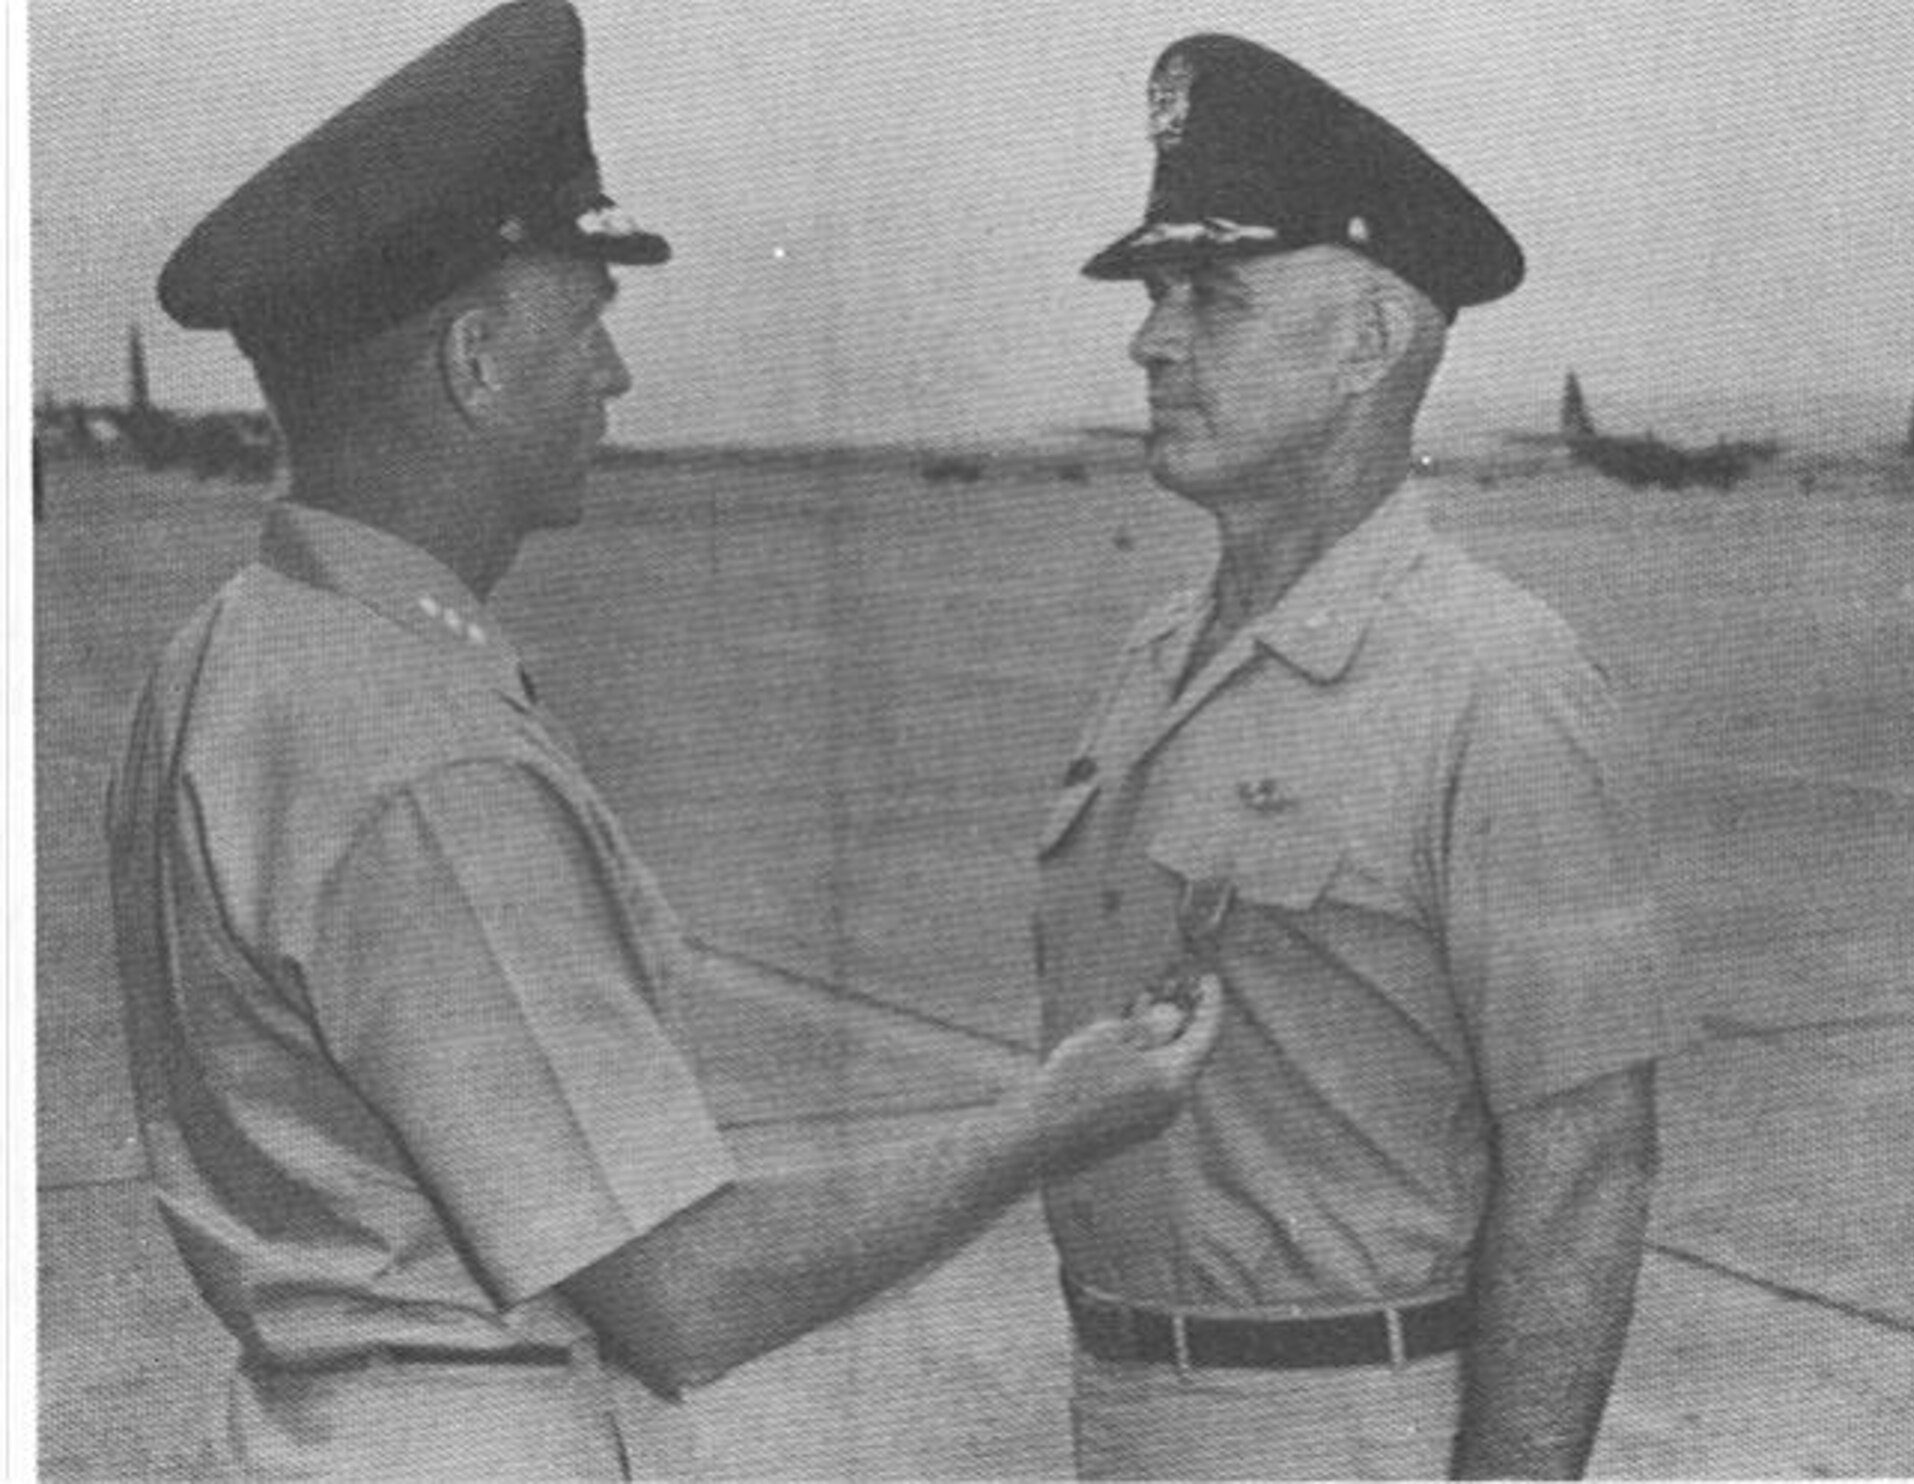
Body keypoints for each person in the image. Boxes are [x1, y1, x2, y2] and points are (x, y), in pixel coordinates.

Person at [105, 4, 1222, 1477]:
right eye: (588, 324)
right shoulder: (422, 756)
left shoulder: (233, 653)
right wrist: (1041, 1127)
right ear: (477, 362)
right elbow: (686, 1294)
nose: (616, 378)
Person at [1034, 34, 1697, 1480]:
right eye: (1156, 299)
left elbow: (1584, 1169)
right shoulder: (1158, 660)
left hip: (1346, 1424)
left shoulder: (1495, 688)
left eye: (1210, 298)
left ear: (1366, 347)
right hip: (1126, 1402)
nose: (1151, 341)